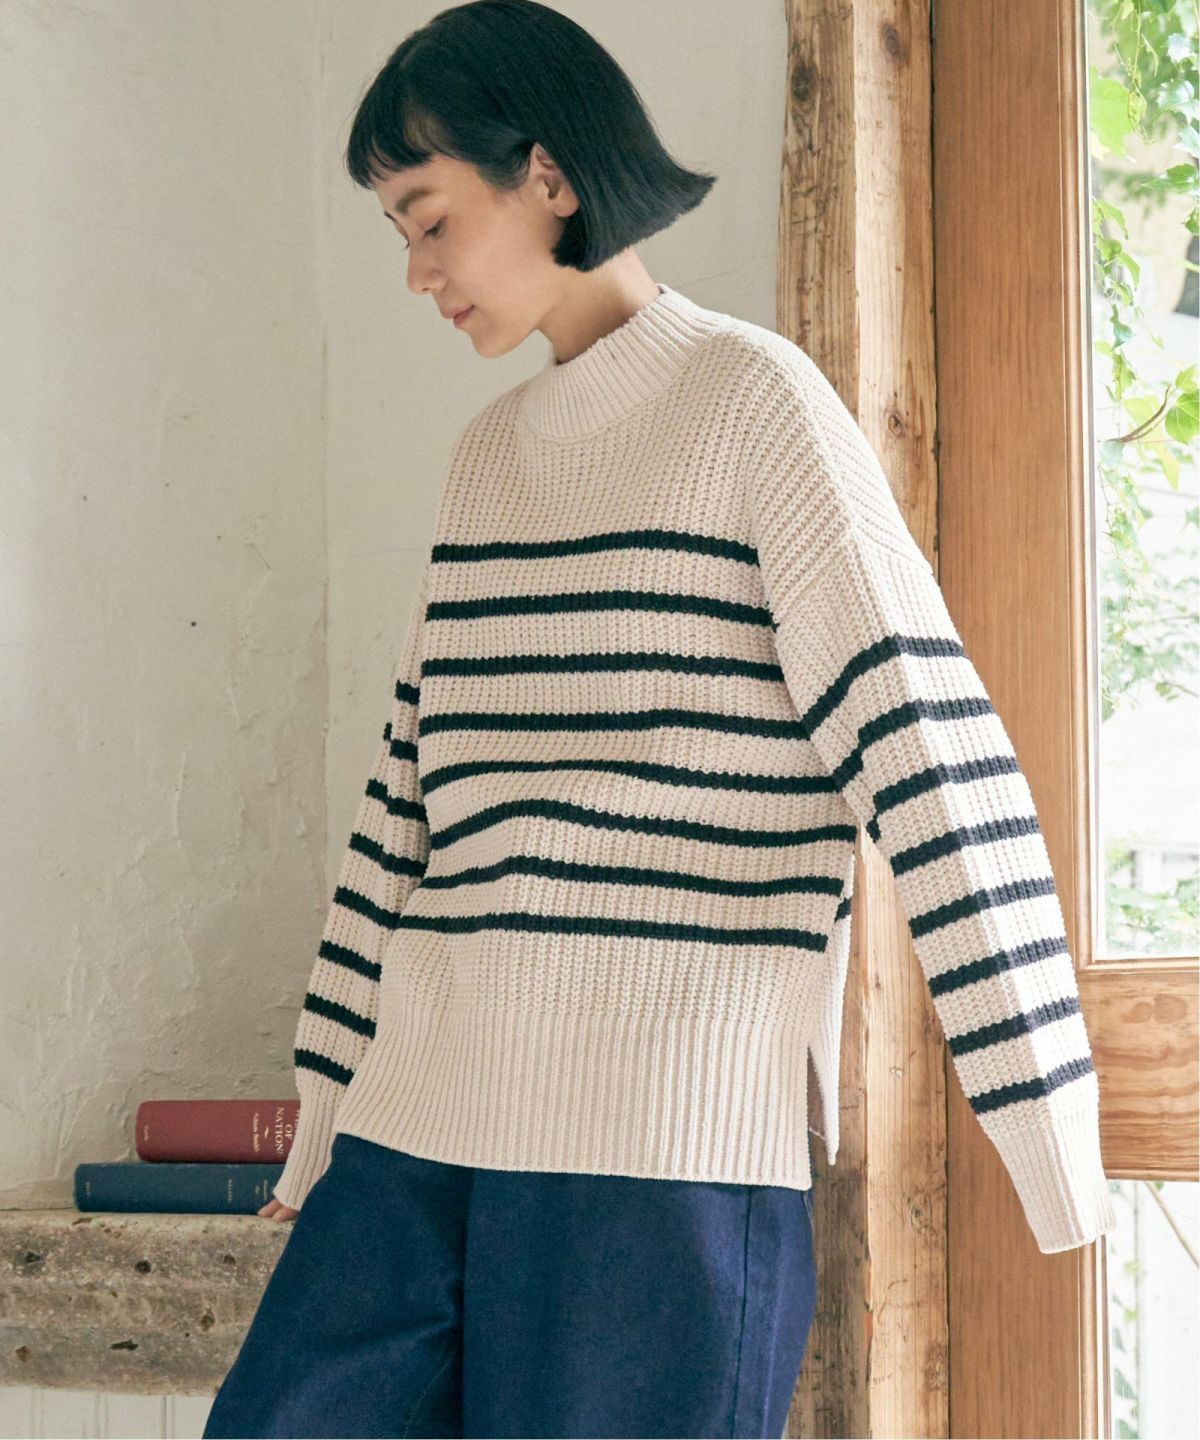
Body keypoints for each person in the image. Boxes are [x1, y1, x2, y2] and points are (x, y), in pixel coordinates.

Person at [204, 2, 1115, 1436]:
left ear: (548, 175)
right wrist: (324, 1113)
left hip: (657, 1152)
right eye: (397, 232)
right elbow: (405, 808)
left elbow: (931, 754)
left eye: (430, 219)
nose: (416, 271)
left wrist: (1049, 1129)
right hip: (414, 1130)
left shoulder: (755, 407)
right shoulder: (485, 463)